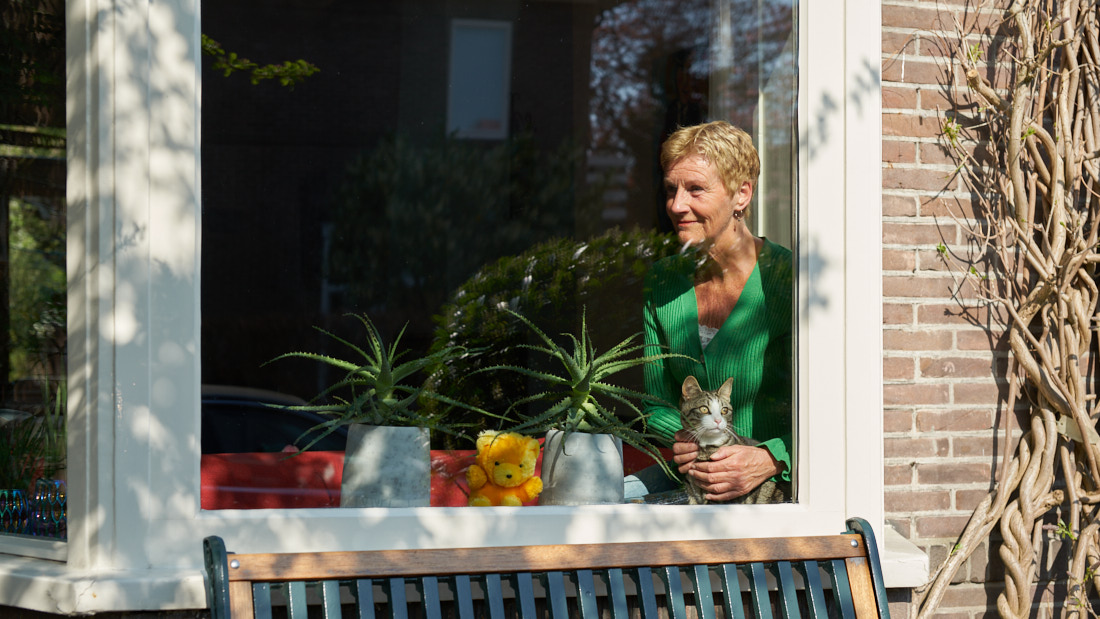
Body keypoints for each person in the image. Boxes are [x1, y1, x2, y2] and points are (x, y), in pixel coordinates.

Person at [629, 120, 792, 502]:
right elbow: (656, 402)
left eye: (695, 189)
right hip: (691, 483)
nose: (676, 205)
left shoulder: (790, 281)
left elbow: (835, 406)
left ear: (741, 195)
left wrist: (773, 457)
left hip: (777, 496)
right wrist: (681, 436)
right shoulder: (663, 282)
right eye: (671, 189)